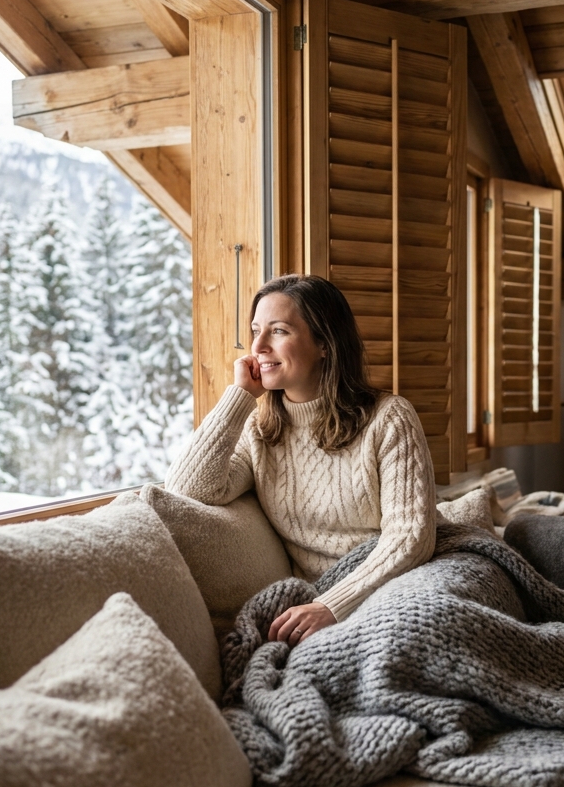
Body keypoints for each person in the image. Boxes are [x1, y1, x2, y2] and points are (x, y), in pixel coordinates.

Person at [164, 274, 437, 647]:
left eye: (278, 331)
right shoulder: (261, 432)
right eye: (255, 330)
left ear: (324, 343)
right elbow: (186, 489)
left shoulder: (389, 418)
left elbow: (411, 537)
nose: (257, 346)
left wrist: (331, 606)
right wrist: (240, 396)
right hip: (321, 601)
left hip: (397, 580)